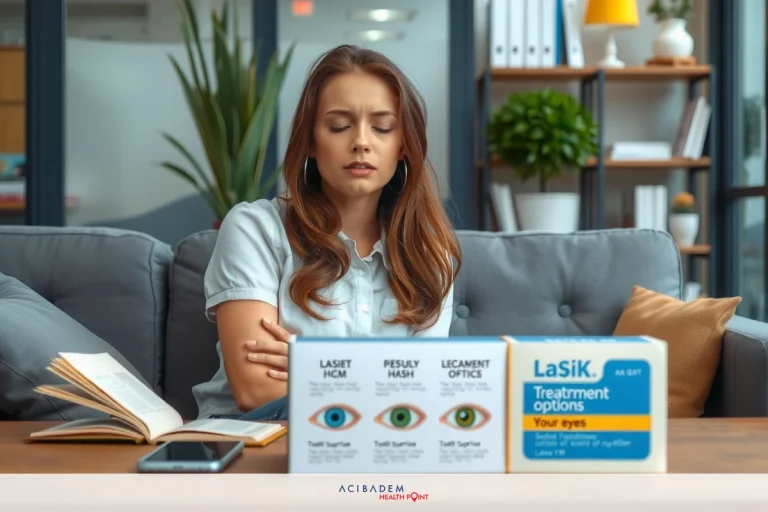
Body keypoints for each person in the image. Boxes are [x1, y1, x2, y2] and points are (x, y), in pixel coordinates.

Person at [191, 44, 462, 422]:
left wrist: (314, 367)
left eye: (382, 127)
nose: (362, 142)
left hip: (376, 453)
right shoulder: (255, 229)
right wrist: (383, 381)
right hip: (254, 449)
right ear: (311, 142)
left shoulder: (430, 255)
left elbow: (426, 399)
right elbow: (256, 389)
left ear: (403, 146)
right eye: (339, 126)